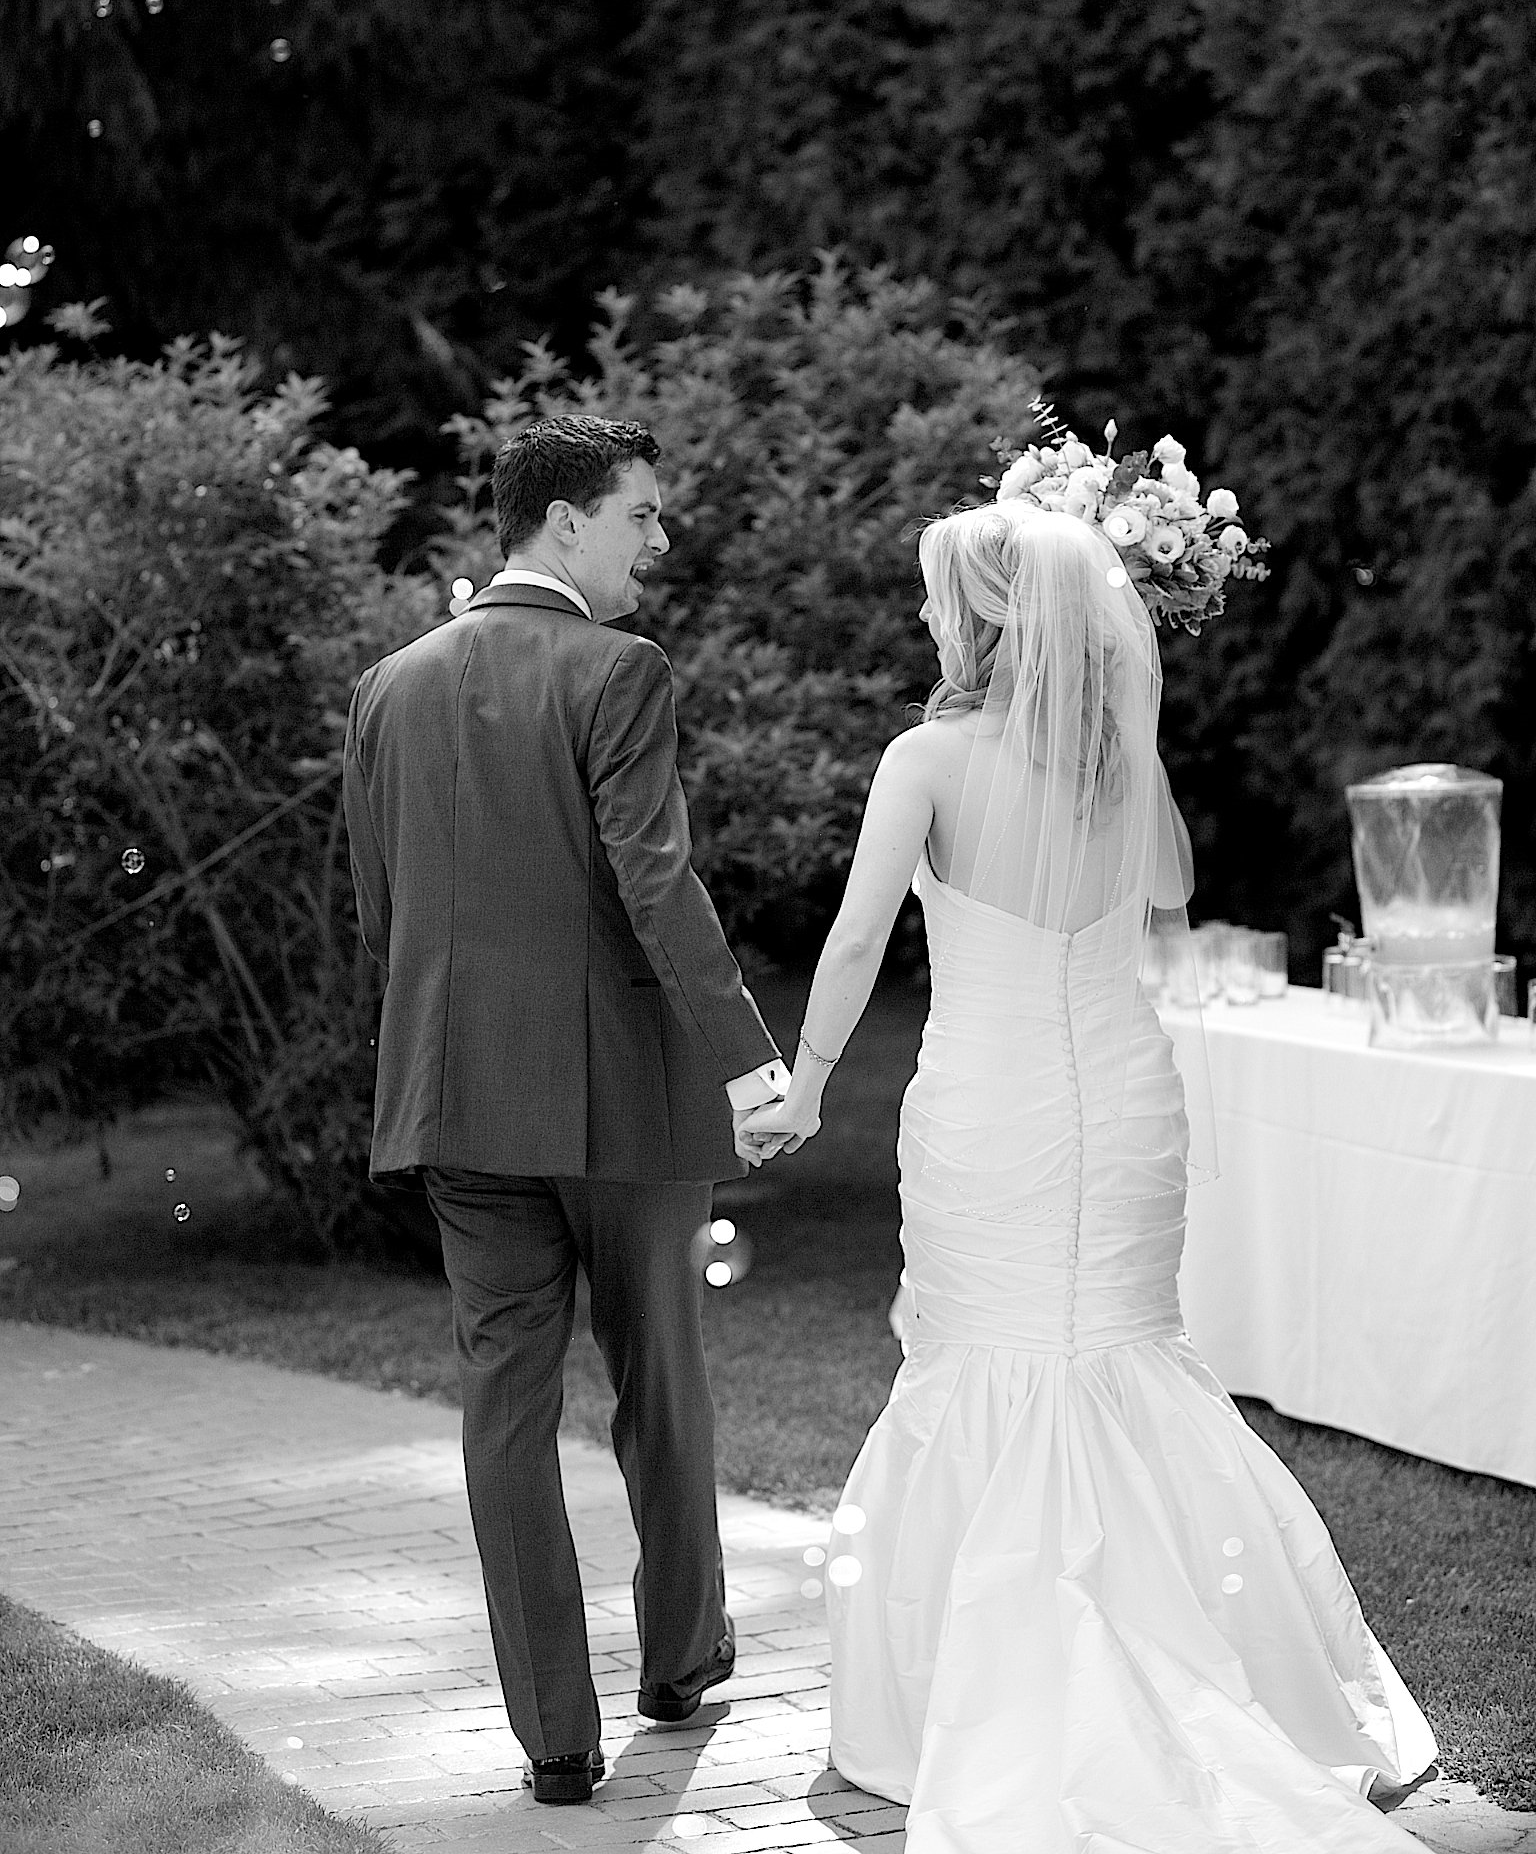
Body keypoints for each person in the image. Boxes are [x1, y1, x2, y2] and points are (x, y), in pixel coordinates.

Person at [744, 502, 1439, 1850]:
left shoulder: (927, 758)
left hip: (993, 1111)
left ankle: (989, 1686)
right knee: (1123, 1352)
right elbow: (1170, 893)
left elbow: (848, 945)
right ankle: (1223, 1658)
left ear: (992, 620)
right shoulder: (1128, 772)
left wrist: (810, 1082)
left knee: (997, 1352)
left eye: (943, 599)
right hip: (1122, 1101)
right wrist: (1118, 718)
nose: (929, 619)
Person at [342, 414, 793, 1806]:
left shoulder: (387, 687)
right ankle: (679, 1658)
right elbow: (656, 881)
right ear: (565, 523)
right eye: (644, 515)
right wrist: (750, 1061)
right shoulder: (620, 669)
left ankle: (554, 1739)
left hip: (457, 1099)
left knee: (502, 1412)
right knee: (661, 1373)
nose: (661, 541)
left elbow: (380, 912)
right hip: (622, 1100)